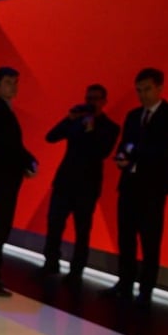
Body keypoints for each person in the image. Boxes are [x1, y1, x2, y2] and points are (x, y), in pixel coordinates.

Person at [104, 68, 168, 307]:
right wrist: (121, 157)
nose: (142, 95)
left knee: (150, 240)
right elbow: (125, 144)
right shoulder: (132, 116)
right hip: (129, 184)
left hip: (153, 187)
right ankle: (125, 283)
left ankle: (146, 290)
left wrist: (134, 157)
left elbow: (164, 148)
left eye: (147, 89)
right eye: (139, 90)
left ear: (160, 88)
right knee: (126, 237)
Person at [41, 84, 120, 282]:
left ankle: (77, 271)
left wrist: (91, 131)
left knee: (82, 230)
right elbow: (50, 137)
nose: (91, 102)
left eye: (95, 99)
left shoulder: (110, 127)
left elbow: (103, 152)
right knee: (54, 223)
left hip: (87, 186)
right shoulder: (76, 121)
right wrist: (69, 118)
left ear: (103, 101)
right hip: (65, 182)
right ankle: (51, 261)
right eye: (88, 98)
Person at [0, 66, 38, 297]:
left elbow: (13, 146)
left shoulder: (1, 109)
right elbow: (8, 146)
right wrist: (26, 162)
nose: (14, 86)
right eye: (9, 82)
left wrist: (27, 160)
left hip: (4, 176)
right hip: (3, 177)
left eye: (15, 81)